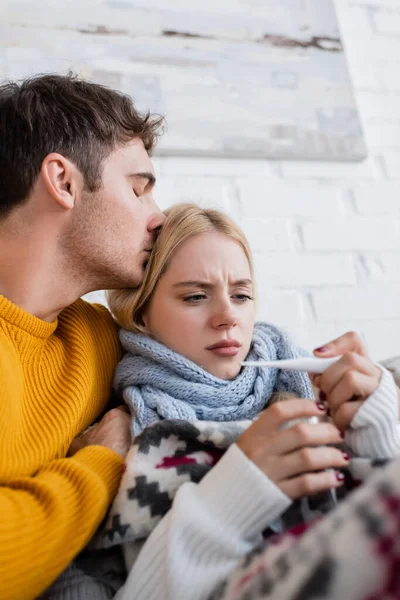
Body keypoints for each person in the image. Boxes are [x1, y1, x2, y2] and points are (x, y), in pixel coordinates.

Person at [1, 72, 399, 600]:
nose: (156, 216)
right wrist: (103, 461)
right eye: (138, 187)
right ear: (64, 181)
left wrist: (367, 401)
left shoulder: (98, 338)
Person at [105, 204, 400, 600]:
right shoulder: (127, 436)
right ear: (140, 314)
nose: (228, 316)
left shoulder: (309, 387)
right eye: (195, 296)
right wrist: (236, 493)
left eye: (241, 294)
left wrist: (379, 425)